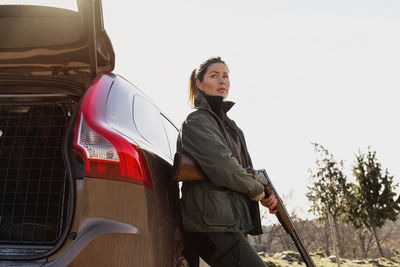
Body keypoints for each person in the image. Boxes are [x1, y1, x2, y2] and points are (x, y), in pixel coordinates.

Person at [177, 57, 278, 267]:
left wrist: (265, 194)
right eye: (214, 76)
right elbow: (224, 167)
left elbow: (245, 171)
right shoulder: (197, 121)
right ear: (199, 83)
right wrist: (256, 189)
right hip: (211, 225)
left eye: (225, 76)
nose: (222, 80)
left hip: (228, 223)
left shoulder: (231, 127)